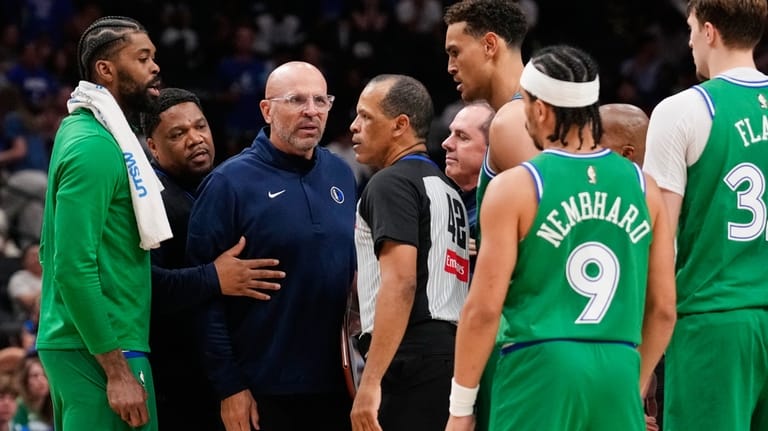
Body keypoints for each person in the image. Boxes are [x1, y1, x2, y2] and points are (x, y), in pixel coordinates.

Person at [445, 45, 676, 431]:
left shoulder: (517, 185)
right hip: (617, 365)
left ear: (539, 110)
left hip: (540, 365)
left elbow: (483, 309)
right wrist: (632, 382)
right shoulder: (644, 186)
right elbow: (664, 308)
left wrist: (461, 406)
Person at [187, 61, 357, 431]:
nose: (311, 110)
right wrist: (229, 386)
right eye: (296, 100)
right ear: (267, 110)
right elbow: (203, 303)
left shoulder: (342, 173)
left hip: (339, 385)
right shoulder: (228, 184)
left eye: (320, 100)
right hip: (262, 392)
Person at [36, 16, 168, 431]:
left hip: (91, 340)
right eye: (142, 57)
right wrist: (115, 369)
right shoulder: (94, 146)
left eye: (154, 57)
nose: (155, 66)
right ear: (105, 69)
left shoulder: (84, 131)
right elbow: (71, 264)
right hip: (100, 346)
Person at [643, 1, 768, 429]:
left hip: (714, 322)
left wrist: (640, 360)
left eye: (692, 28)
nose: (690, 40)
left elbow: (657, 243)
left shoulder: (681, 111)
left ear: (710, 31)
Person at [143, 88, 285, 430]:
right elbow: (143, 286)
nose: (195, 139)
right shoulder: (148, 199)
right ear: (152, 146)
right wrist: (214, 277)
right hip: (175, 379)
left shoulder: (223, 184)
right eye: (178, 134)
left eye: (200, 127)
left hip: (225, 372)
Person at [349, 74, 470, 431]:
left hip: (410, 356)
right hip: (450, 355)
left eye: (366, 116)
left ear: (400, 125)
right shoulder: (447, 187)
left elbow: (401, 283)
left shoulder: (390, 183)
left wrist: (370, 382)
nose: (354, 126)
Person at [443, 2, 536, 428]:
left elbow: (555, 233)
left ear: (490, 45)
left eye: (455, 52)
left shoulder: (514, 121)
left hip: (527, 333)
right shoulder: (530, 113)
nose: (450, 65)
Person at [441, 101, 495, 277]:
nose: (446, 143)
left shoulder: (500, 211)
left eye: (462, 137)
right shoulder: (446, 204)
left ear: (493, 149)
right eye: (450, 133)